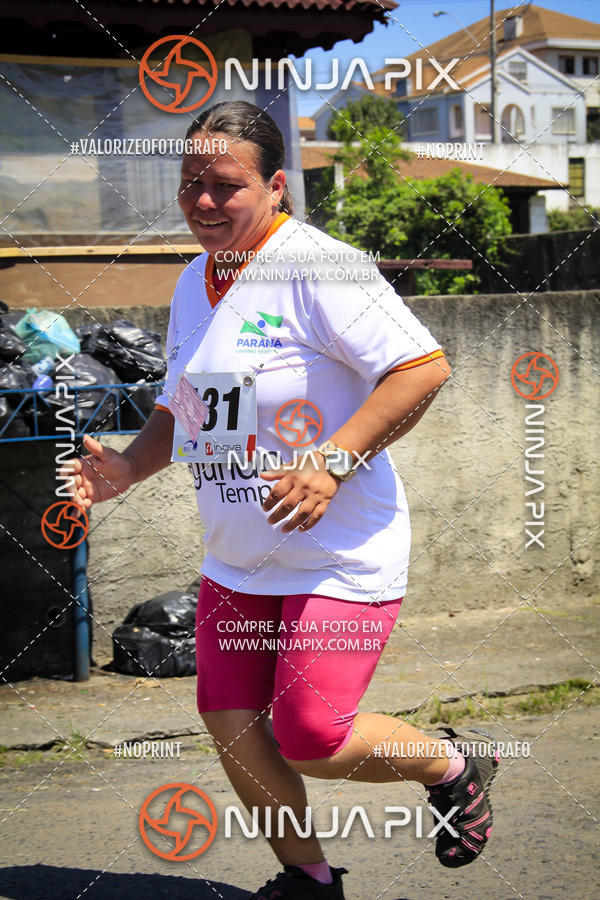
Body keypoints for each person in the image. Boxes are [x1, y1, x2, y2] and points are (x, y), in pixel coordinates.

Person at [67, 101, 498, 898]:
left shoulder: (318, 266)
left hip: (337, 552)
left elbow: (421, 368)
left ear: (275, 187)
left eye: (225, 185)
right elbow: (193, 407)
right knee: (232, 722)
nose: (203, 201)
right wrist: (127, 468)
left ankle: (451, 764)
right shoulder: (195, 281)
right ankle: (308, 879)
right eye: (189, 183)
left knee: (311, 736)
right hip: (239, 556)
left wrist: (331, 461)